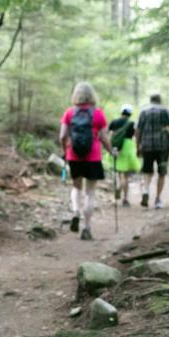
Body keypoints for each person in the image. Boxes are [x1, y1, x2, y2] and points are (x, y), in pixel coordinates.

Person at [59, 82, 116, 240]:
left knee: (76, 188)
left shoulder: (69, 113)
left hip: (74, 156)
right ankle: (87, 228)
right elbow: (104, 137)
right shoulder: (98, 113)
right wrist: (111, 151)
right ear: (92, 96)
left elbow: (62, 136)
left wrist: (65, 151)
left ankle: (76, 212)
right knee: (90, 192)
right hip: (93, 157)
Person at [134, 93, 169, 209]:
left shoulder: (143, 111)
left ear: (150, 100)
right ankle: (158, 199)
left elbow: (138, 130)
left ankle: (146, 191)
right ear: (160, 100)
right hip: (163, 147)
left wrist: (137, 146)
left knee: (147, 171)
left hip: (147, 146)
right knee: (161, 173)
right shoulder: (165, 111)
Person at [109, 104, 140, 206]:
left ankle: (118, 190)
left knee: (119, 174)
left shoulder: (114, 122)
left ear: (121, 111)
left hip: (117, 148)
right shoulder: (132, 123)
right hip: (128, 147)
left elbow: (108, 134)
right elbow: (136, 136)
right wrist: (138, 148)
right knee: (125, 176)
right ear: (130, 113)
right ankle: (125, 199)